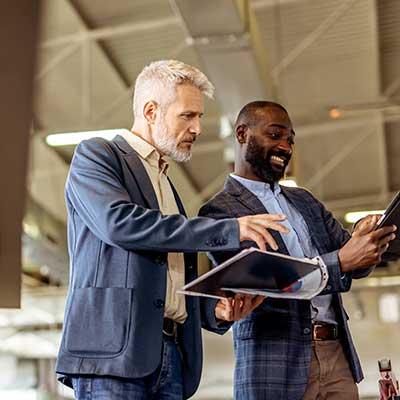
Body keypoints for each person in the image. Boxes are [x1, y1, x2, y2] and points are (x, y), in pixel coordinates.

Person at [55, 61, 288, 400]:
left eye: (199, 117)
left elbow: (170, 272)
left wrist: (214, 311)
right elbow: (120, 224)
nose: (197, 128)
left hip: (171, 356)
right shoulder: (98, 156)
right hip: (113, 356)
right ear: (150, 111)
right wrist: (230, 229)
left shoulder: (165, 182)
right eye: (187, 116)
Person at [199, 100, 397, 400]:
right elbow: (264, 278)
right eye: (275, 135)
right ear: (242, 134)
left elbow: (350, 260)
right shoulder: (219, 211)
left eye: (290, 140)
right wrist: (342, 260)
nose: (285, 146)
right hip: (275, 362)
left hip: (336, 354)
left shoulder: (304, 201)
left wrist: (367, 239)